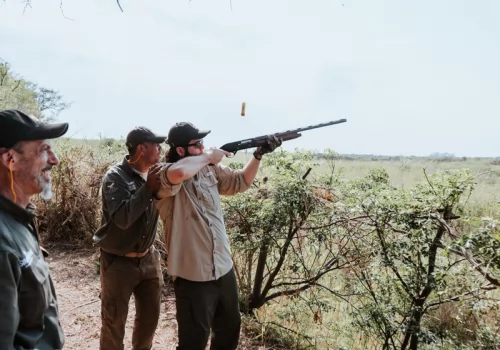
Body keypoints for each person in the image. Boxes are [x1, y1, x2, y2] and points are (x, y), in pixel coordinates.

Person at [154, 122, 282, 350]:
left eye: (203, 144)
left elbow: (241, 182)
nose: (203, 148)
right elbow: (180, 173)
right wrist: (209, 156)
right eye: (197, 144)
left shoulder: (209, 169)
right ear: (180, 150)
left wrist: (258, 155)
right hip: (192, 275)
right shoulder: (162, 173)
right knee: (194, 340)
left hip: (223, 267)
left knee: (230, 328)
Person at [92, 126, 166, 350]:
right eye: (156, 145)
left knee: (149, 320)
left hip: (149, 259)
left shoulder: (157, 173)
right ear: (142, 149)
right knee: (114, 322)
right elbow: (123, 218)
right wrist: (147, 190)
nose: (160, 149)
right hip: (118, 262)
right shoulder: (115, 177)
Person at [0, 109, 68, 349]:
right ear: (10, 159)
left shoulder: (20, 217)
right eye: (43, 150)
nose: (54, 159)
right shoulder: (3, 240)